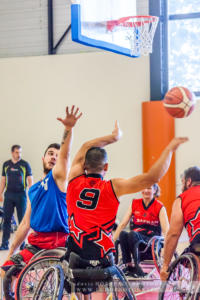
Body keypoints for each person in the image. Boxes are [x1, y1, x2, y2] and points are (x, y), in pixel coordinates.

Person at [65, 122, 187, 276]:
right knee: (125, 236)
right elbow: (152, 177)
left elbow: (85, 145)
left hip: (75, 255)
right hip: (102, 257)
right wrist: (169, 150)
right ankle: (131, 266)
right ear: (106, 167)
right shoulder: (114, 186)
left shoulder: (73, 179)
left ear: (83, 164)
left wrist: (113, 137)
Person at [1, 105, 82, 299]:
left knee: (77, 285)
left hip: (61, 242)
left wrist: (68, 130)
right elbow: (25, 223)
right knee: (6, 272)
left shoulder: (60, 179)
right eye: (50, 153)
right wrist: (11, 250)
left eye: (56, 154)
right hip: (37, 244)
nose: (54, 156)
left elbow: (66, 154)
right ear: (43, 158)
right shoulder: (34, 189)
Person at [113, 184, 169, 277]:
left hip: (150, 241)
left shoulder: (159, 207)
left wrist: (166, 250)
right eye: (144, 187)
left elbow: (166, 230)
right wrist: (112, 241)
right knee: (123, 234)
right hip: (134, 238)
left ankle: (137, 266)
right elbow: (123, 224)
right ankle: (128, 265)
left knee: (132, 234)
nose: (146, 190)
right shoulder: (135, 203)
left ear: (154, 191)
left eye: (149, 188)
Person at [160, 166, 200, 282]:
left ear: (188, 182)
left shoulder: (182, 199)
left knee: (188, 261)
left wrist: (165, 266)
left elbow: (173, 234)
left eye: (182, 182)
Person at [0, 145, 33, 251]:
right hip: (9, 195)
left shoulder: (24, 164)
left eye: (20, 152)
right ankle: (5, 243)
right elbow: (3, 181)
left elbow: (30, 181)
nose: (19, 155)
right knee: (6, 220)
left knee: (23, 221)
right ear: (12, 153)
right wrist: (0, 193)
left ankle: (23, 245)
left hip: (21, 195)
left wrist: (31, 196)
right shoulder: (6, 165)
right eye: (17, 152)